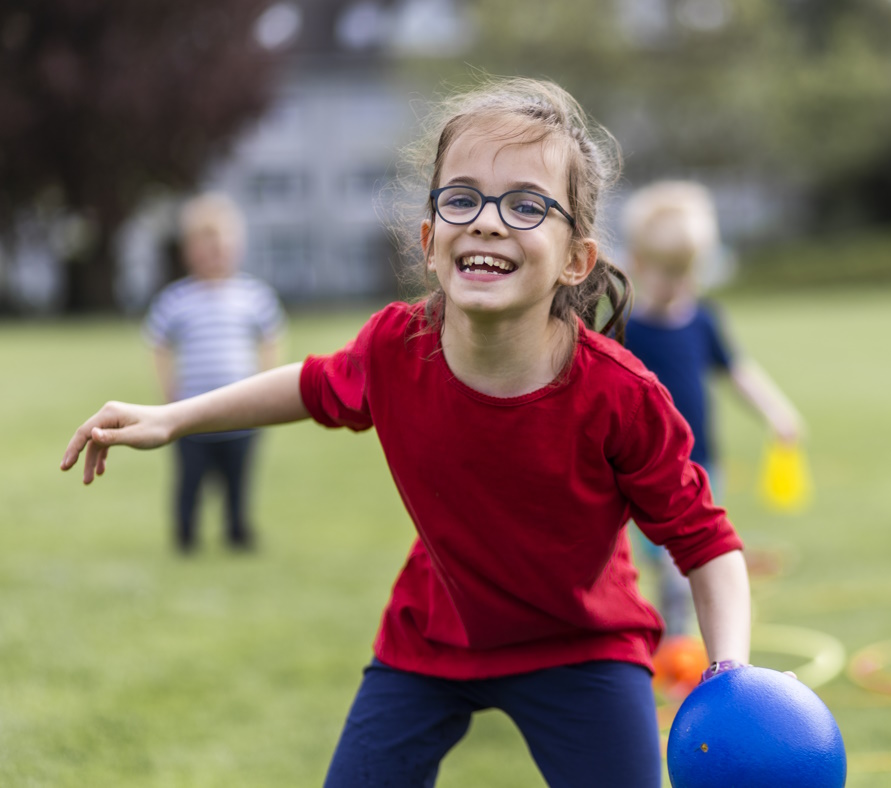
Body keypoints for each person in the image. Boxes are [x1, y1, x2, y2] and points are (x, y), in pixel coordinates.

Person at [61, 78, 755, 788]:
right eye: (462, 198)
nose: (486, 221)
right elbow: (308, 384)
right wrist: (173, 417)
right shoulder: (398, 348)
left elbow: (708, 545)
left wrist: (729, 673)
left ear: (576, 259)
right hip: (432, 637)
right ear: (430, 241)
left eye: (524, 205)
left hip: (584, 646)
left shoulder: (621, 395)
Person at [621, 181, 804, 636]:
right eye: (667, 270)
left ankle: (681, 646)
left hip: (702, 466)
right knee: (662, 563)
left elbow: (737, 370)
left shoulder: (704, 320)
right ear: (638, 264)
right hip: (643, 469)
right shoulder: (625, 329)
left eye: (687, 271)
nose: (679, 283)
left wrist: (777, 413)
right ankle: (667, 640)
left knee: (690, 561)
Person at [143, 193, 286, 553]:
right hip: (191, 411)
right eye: (206, 245)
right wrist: (168, 388)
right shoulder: (178, 298)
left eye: (223, 244)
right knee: (190, 478)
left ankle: (237, 531)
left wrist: (265, 385)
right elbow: (158, 343)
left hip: (243, 411)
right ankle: (185, 535)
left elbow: (271, 337)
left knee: (238, 478)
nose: (216, 253)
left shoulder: (252, 295)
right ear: (189, 251)